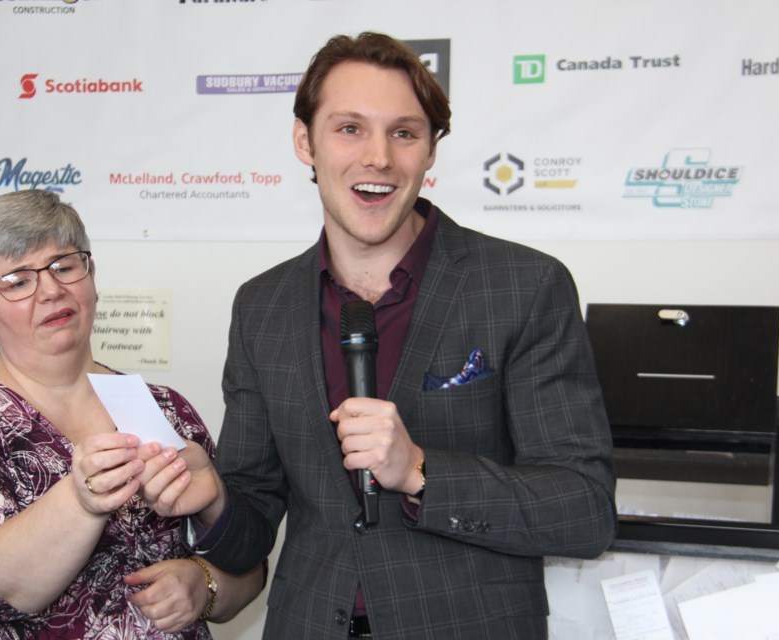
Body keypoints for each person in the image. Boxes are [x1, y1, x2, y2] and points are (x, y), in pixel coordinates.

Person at [137, 31, 617, 640]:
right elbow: (251, 527)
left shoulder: (524, 286)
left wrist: (419, 471)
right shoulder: (262, 306)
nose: (379, 159)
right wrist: (212, 498)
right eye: (349, 129)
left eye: (404, 133)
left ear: (431, 151)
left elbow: (584, 511)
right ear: (303, 141)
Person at [0, 190, 264, 639]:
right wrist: (80, 501)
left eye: (65, 266)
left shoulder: (166, 409)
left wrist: (205, 585)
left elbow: (249, 568)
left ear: (92, 278)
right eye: (17, 281)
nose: (50, 290)